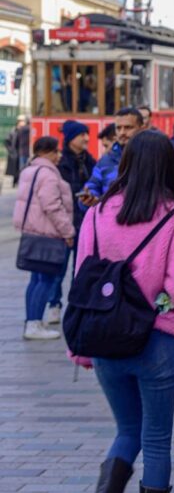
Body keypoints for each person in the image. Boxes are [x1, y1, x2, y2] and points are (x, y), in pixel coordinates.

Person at [73, 130, 174, 493]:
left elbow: (82, 281)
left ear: (125, 163)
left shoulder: (95, 215)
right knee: (157, 439)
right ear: (170, 167)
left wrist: (81, 349)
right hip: (156, 343)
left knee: (127, 430)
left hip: (104, 343)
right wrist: (160, 305)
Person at [13, 136, 74, 340]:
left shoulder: (29, 170)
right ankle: (34, 325)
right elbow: (52, 206)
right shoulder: (48, 175)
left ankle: (32, 321)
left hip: (32, 232)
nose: (59, 156)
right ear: (46, 152)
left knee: (36, 280)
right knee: (45, 280)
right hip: (47, 234)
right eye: (56, 151)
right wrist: (68, 231)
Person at [49, 120, 96, 324]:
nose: (86, 138)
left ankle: (76, 305)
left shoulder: (90, 161)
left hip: (84, 224)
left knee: (80, 268)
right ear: (70, 139)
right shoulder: (60, 163)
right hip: (64, 225)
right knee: (58, 269)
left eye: (86, 134)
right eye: (81, 135)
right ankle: (54, 305)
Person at [80, 108, 146, 205]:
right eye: (118, 128)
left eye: (128, 127)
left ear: (142, 128)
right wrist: (89, 198)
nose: (122, 132)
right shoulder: (106, 160)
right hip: (111, 218)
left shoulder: (156, 157)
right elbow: (92, 187)